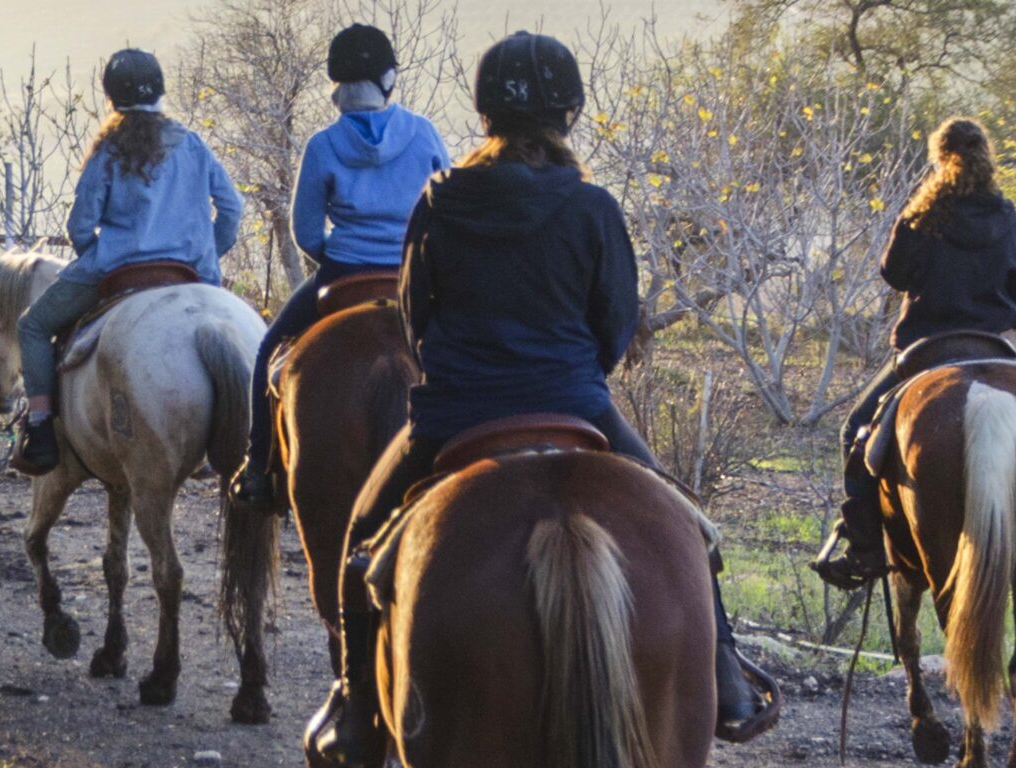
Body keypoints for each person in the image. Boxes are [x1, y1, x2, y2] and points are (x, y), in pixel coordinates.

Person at [307, 32, 777, 765]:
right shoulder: (591, 206)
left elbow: (414, 318)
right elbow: (615, 328)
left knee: (361, 541)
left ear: (484, 112)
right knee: (693, 530)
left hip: (454, 413)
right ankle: (729, 681)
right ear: (571, 113)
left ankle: (355, 708)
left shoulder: (441, 199)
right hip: (576, 404)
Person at [807, 117, 1016, 590]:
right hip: (998, 350)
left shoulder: (922, 217)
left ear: (938, 160)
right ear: (987, 157)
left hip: (926, 350)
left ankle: (863, 547)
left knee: (856, 429)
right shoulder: (1015, 224)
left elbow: (893, 274)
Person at [231, 24, 450, 505]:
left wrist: (339, 254)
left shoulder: (323, 145)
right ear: (389, 79)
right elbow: (445, 211)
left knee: (270, 350)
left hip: (344, 276)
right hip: (415, 279)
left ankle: (258, 468)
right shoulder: (424, 133)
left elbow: (306, 233)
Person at [10, 48, 245, 475]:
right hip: (190, 273)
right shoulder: (192, 143)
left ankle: (40, 427)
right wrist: (208, 253)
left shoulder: (108, 151)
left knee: (33, 325)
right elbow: (231, 209)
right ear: (160, 90)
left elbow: (80, 224)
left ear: (111, 98)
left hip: (118, 271)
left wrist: (94, 256)